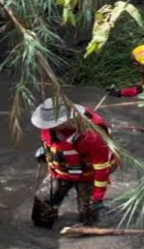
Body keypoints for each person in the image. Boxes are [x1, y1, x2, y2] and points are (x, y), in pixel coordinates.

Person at [30, 98, 115, 228]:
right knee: (43, 202)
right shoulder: (49, 127)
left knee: (88, 212)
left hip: (88, 176)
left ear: (68, 119)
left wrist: (97, 197)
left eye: (52, 124)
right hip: (59, 172)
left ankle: (88, 237)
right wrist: (45, 151)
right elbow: (50, 141)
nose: (47, 127)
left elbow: (102, 170)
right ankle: (41, 233)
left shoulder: (92, 137)